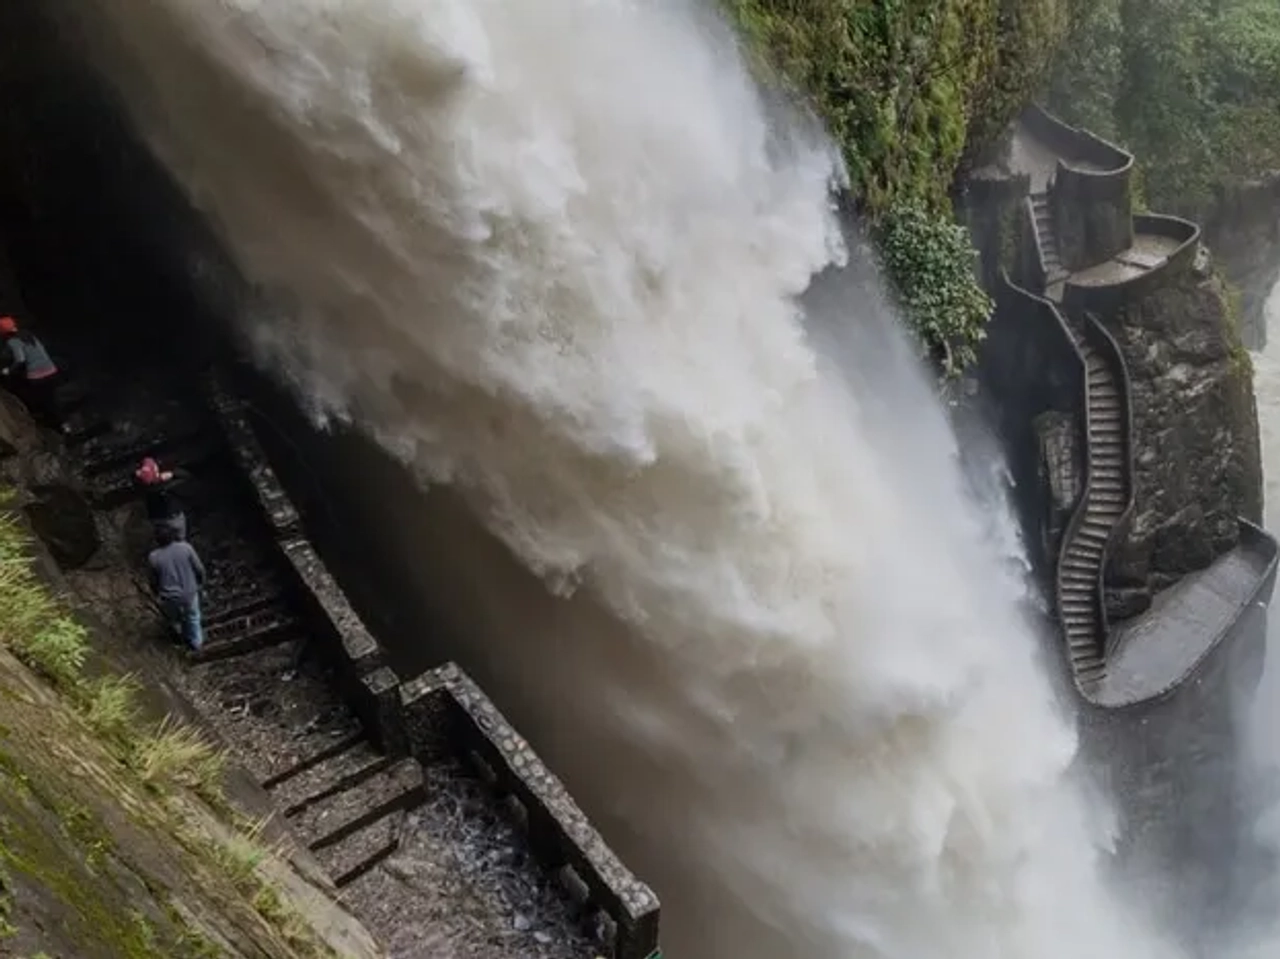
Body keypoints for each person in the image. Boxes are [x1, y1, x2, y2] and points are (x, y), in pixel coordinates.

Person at [0, 315, 66, 433]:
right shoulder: (27, 334)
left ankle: (52, 425)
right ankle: (60, 425)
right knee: (51, 400)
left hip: (37, 375)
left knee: (37, 398)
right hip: (51, 370)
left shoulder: (13, 341)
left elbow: (20, 359)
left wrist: (8, 370)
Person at [147, 523, 206, 652]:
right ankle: (196, 645)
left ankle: (179, 638)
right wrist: (201, 584)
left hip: (169, 597)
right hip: (190, 593)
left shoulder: (154, 557)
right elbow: (199, 569)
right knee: (193, 617)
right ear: (173, 536)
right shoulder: (186, 548)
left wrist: (156, 593)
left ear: (157, 540)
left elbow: (153, 580)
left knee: (174, 620)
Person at [135, 456, 191, 541]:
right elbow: (186, 476)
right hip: (172, 517)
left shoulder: (142, 485)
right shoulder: (164, 484)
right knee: (181, 542)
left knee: (166, 544)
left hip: (156, 520)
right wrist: (171, 474)